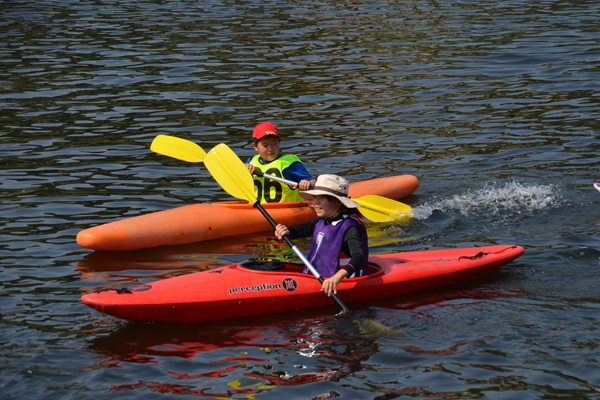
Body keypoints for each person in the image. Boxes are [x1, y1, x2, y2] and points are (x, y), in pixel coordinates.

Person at [274, 174, 369, 297]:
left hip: (342, 281)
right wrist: (287, 231)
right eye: (314, 197)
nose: (315, 202)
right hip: (320, 276)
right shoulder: (323, 219)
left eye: (322, 198)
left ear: (337, 202)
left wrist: (337, 277)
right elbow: (304, 228)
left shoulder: (350, 227)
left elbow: (359, 257)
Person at [245, 122, 316, 203]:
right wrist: (242, 171)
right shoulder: (250, 162)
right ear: (255, 146)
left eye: (274, 144)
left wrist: (307, 183)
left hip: (287, 210)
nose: (270, 149)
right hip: (255, 210)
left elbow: (314, 183)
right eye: (265, 145)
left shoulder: (290, 164)